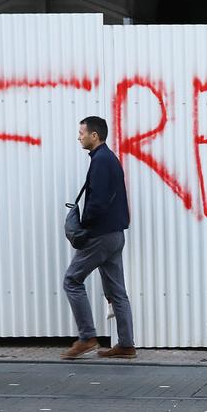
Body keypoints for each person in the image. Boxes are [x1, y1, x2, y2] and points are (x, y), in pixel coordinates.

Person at [63, 116, 135, 360]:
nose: (79, 136)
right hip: (115, 234)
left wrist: (85, 229)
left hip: (101, 235)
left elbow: (98, 202)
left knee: (72, 280)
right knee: (117, 291)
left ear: (95, 135)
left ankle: (87, 337)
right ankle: (126, 344)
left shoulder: (102, 161)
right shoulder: (107, 159)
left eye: (81, 132)